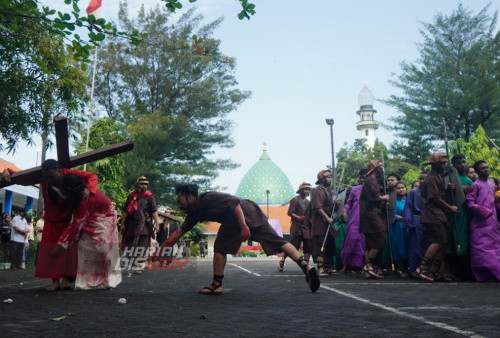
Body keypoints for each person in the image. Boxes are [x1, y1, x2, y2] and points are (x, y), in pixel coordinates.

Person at [160, 184, 320, 294]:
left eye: (180, 201)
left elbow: (235, 204)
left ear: (190, 196)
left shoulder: (209, 198)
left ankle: (216, 285)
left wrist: (243, 226)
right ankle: (305, 265)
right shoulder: (194, 213)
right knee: (279, 241)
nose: (179, 206)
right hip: (251, 213)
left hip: (240, 213)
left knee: (220, 248)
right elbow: (177, 233)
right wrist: (160, 251)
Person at [36, 159, 98, 291]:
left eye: (52, 176)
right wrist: (8, 172)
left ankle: (65, 281)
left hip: (67, 220)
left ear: (59, 171)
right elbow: (21, 177)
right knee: (49, 251)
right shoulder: (43, 178)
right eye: (47, 177)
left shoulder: (69, 174)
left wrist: (89, 189)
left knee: (67, 252)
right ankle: (55, 282)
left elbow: (91, 176)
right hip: (51, 221)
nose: (50, 179)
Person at [56, 174, 122, 289]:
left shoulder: (87, 198)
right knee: (86, 250)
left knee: (104, 251)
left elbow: (76, 224)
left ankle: (110, 280)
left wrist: (60, 244)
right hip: (89, 220)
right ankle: (90, 281)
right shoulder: (80, 197)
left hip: (105, 220)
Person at [416, 153, 458, 281]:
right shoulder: (431, 178)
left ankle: (434, 271)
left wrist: (448, 188)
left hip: (438, 214)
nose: (445, 166)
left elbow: (440, 194)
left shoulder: (437, 178)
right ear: (436, 165)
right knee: (438, 240)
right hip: (432, 213)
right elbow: (434, 198)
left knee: (443, 241)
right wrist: (450, 207)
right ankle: (422, 268)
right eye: (443, 163)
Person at [466, 160, 500, 282]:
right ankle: (482, 275)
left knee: (495, 250)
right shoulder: (475, 185)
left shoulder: (491, 185)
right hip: (479, 224)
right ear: (477, 171)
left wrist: (496, 202)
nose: (486, 169)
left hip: (493, 223)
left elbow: (494, 203)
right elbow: (470, 204)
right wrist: (485, 211)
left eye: (487, 167)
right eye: (483, 168)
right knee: (481, 251)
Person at [121, 176, 162, 274]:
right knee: (131, 246)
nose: (144, 186)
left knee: (142, 245)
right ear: (137, 184)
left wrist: (157, 223)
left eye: (145, 184)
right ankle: (134, 263)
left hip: (144, 225)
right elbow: (125, 211)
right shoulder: (131, 196)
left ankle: (138, 265)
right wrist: (122, 224)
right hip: (131, 225)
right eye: (142, 184)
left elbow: (154, 211)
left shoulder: (150, 196)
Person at [359, 160, 390, 279]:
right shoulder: (371, 179)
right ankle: (369, 265)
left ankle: (369, 268)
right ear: (376, 169)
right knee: (379, 239)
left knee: (370, 242)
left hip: (368, 214)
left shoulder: (370, 180)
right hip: (371, 214)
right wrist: (384, 197)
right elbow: (374, 197)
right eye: (380, 168)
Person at [278, 182, 312, 272]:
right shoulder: (295, 200)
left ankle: (306, 265)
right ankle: (282, 261)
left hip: (306, 227)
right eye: (305, 189)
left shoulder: (309, 202)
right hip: (296, 227)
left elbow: (310, 215)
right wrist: (298, 217)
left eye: (308, 189)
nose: (307, 191)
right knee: (293, 245)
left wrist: (311, 220)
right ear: (300, 191)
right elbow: (289, 212)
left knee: (308, 245)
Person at [340, 169, 367, 272]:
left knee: (363, 241)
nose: (362, 180)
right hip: (354, 218)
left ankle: (361, 265)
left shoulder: (373, 189)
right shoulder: (354, 189)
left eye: (365, 178)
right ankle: (347, 264)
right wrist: (344, 211)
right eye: (361, 177)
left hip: (367, 218)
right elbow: (348, 203)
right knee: (351, 239)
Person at [311, 170, 336, 277]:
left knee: (328, 246)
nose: (330, 179)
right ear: (322, 179)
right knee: (320, 245)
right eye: (328, 177)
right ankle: (320, 268)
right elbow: (318, 207)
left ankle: (327, 266)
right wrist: (327, 218)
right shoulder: (318, 191)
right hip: (320, 223)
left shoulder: (328, 191)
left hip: (327, 224)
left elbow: (328, 205)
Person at [403, 173, 428, 274]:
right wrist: (409, 222)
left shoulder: (431, 191)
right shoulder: (413, 192)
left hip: (429, 220)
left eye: (424, 179)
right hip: (416, 220)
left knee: (427, 245)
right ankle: (414, 268)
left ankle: (426, 269)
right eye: (420, 179)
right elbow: (408, 208)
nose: (422, 181)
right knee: (415, 246)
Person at [390, 182, 410, 277]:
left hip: (409, 226)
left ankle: (411, 268)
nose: (401, 189)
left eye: (403, 187)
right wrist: (396, 216)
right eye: (398, 188)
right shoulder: (393, 201)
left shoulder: (410, 199)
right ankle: (403, 270)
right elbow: (388, 212)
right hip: (396, 226)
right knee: (399, 248)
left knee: (409, 246)